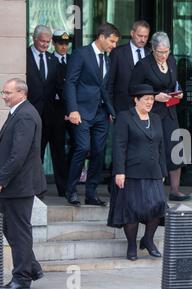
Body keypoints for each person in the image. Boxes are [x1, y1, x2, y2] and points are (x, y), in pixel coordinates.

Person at [107, 84, 167, 261]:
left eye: (151, 99)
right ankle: (132, 245)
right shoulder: (125, 117)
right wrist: (119, 171)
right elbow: (119, 146)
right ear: (136, 100)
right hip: (131, 171)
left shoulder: (155, 118)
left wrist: (162, 170)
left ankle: (148, 239)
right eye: (146, 99)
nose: (150, 102)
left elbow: (161, 146)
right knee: (131, 210)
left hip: (153, 171)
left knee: (158, 207)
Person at [130, 31, 190, 201]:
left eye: (166, 51)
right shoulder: (143, 65)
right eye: (160, 52)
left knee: (174, 148)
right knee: (155, 150)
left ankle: (175, 190)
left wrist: (177, 94)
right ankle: (154, 191)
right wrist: (154, 96)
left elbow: (174, 83)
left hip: (170, 111)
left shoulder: (171, 61)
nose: (164, 55)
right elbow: (133, 88)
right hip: (152, 113)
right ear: (153, 50)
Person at [64, 22, 119, 206]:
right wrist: (72, 109)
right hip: (81, 111)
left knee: (98, 152)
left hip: (101, 113)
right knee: (82, 148)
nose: (114, 45)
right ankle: (70, 190)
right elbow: (70, 82)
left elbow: (103, 88)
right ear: (101, 37)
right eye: (112, 41)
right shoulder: (81, 54)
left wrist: (111, 111)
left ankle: (91, 193)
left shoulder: (107, 58)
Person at [0, 78, 46, 289]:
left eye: (8, 92)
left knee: (18, 231)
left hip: (19, 185)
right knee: (11, 228)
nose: (4, 96)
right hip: (15, 185)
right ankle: (32, 267)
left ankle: (22, 278)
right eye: (3, 92)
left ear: (22, 93)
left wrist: (2, 180)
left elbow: (18, 154)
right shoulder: (19, 112)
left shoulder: (25, 115)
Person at [26, 25, 63, 196]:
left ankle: (63, 189)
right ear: (34, 38)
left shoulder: (52, 59)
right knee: (34, 152)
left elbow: (59, 87)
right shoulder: (23, 56)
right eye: (42, 41)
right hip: (31, 112)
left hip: (51, 115)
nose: (45, 45)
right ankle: (34, 188)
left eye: (48, 42)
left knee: (57, 151)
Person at [108, 20, 151, 113]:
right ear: (132, 33)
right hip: (121, 107)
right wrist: (110, 108)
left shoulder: (151, 53)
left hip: (146, 109)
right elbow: (109, 83)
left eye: (146, 36)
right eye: (140, 36)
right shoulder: (117, 53)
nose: (143, 40)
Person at [52, 29, 74, 168]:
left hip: (72, 107)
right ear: (54, 43)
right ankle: (62, 186)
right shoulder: (49, 59)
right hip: (55, 108)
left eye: (66, 43)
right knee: (58, 146)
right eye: (60, 43)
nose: (64, 47)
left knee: (79, 144)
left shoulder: (72, 60)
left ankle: (70, 175)